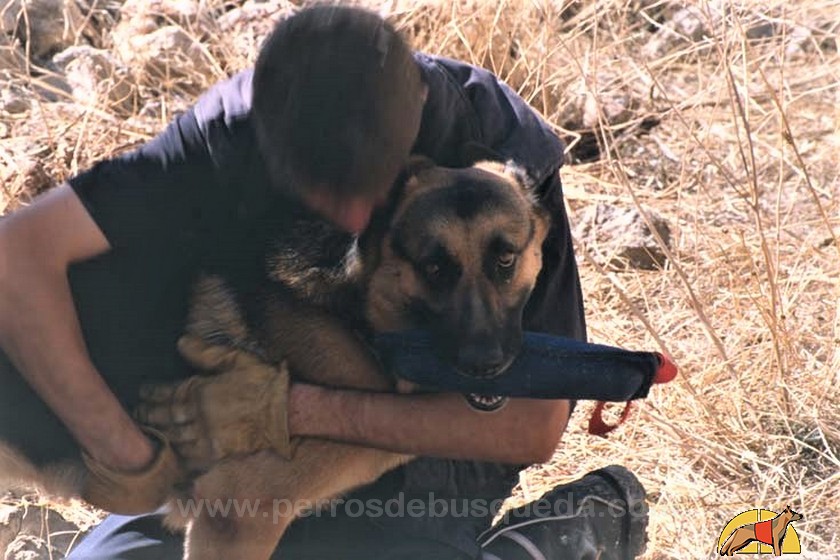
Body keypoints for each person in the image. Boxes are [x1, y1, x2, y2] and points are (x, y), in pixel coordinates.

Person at [0, 6, 646, 559]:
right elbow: (17, 253)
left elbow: (529, 428)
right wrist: (122, 452)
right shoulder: (233, 130)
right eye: (321, 192)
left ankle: (545, 541)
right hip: (216, 435)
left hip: (432, 451)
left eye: (368, 191)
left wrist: (288, 411)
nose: (351, 219)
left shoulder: (502, 163)